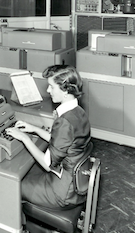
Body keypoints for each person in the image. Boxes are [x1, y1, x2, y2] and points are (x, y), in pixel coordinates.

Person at [6, 64, 91, 211]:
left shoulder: (64, 121)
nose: (48, 90)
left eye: (51, 86)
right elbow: (63, 141)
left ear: (65, 90)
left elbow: (47, 164)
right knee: (29, 172)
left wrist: (24, 138)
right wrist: (35, 129)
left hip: (62, 192)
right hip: (75, 183)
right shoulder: (79, 112)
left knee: (9, 183)